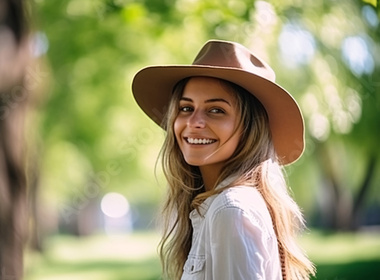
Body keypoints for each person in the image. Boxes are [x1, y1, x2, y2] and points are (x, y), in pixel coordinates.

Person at [131, 40, 315, 280]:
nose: (193, 122)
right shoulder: (217, 206)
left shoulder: (230, 210)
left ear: (250, 128)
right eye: (186, 108)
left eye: (216, 110)